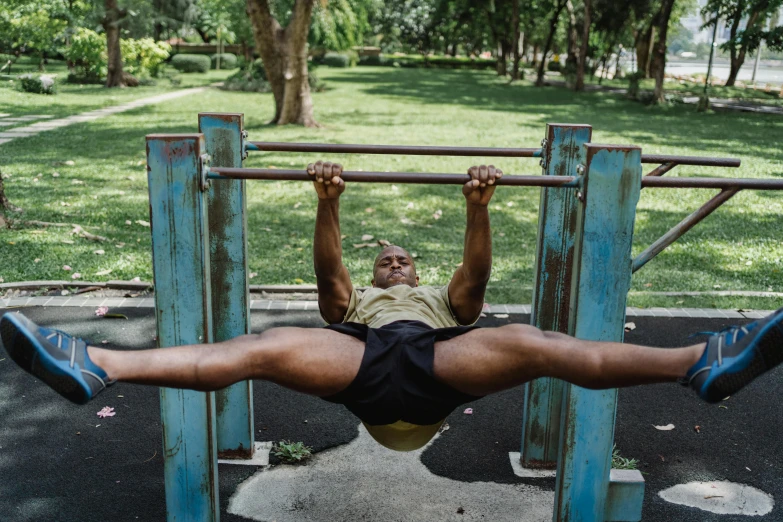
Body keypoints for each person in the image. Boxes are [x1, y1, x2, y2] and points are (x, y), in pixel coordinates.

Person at [1, 161, 782, 452]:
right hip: (367, 369)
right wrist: (325, 200)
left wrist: (480, 205)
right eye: (387, 260)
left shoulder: (441, 301)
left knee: (537, 341)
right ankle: (92, 363)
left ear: (420, 271)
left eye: (402, 258)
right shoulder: (359, 302)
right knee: (258, 349)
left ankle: (703, 365)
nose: (394, 261)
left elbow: (472, 285)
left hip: (437, 368)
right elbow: (330, 279)